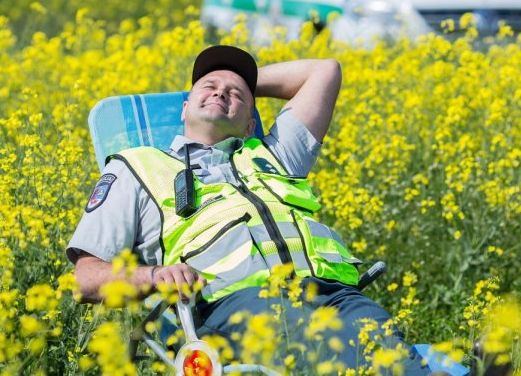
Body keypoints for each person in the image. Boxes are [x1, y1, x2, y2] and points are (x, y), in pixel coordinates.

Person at [67, 45, 435, 373]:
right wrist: (154, 277)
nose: (220, 91)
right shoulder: (138, 166)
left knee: (394, 357)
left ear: (251, 122)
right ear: (184, 107)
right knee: (324, 353)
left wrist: (242, 83)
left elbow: (324, 70)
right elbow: (86, 279)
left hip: (335, 295)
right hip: (238, 303)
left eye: (235, 94)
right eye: (207, 86)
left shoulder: (275, 154)